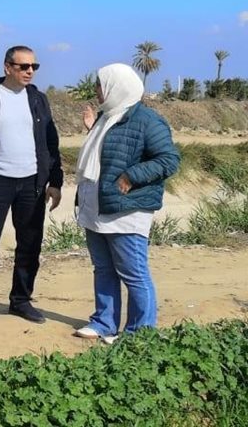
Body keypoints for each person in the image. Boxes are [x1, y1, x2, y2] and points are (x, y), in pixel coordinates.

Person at [72, 64, 179, 344]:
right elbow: (107, 153)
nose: (97, 90)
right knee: (103, 269)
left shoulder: (147, 120)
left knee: (134, 273)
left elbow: (168, 160)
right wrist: (92, 130)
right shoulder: (107, 117)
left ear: (116, 86)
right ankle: (104, 323)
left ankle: (139, 334)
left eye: (100, 85)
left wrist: (132, 176)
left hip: (126, 209)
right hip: (98, 207)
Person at [0, 46, 63, 325]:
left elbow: (51, 142)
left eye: (34, 67)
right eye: (23, 66)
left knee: (30, 244)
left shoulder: (38, 99)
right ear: (8, 67)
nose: (30, 71)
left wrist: (55, 180)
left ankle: (21, 300)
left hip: (32, 182)